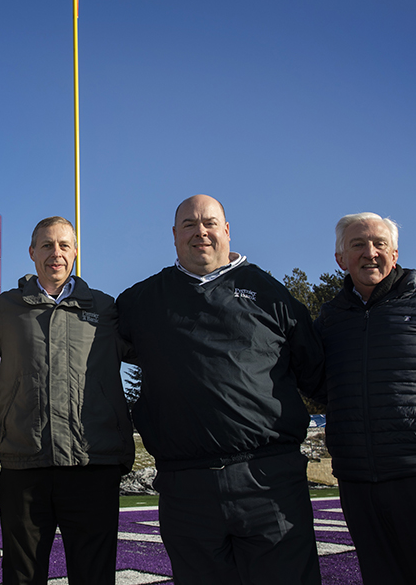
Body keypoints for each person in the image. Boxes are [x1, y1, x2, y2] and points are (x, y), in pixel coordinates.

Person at [116, 195, 324, 585]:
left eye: (209, 223)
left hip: (269, 478)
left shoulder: (269, 292)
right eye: (190, 225)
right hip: (186, 486)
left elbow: (317, 373)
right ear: (175, 235)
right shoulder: (141, 301)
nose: (201, 232)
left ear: (226, 230)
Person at [0, 216, 134, 585]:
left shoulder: (106, 309)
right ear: (32, 252)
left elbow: (156, 354)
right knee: (22, 576)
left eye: (64, 245)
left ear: (76, 252)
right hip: (25, 465)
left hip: (92, 464)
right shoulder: (7, 308)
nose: (56, 253)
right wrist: (2, 396)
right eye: (47, 245)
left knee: (94, 577)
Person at [315, 212, 416, 585]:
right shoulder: (329, 320)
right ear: (340, 258)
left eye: (379, 244)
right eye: (358, 244)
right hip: (359, 483)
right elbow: (317, 384)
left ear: (395, 253)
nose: (370, 253)